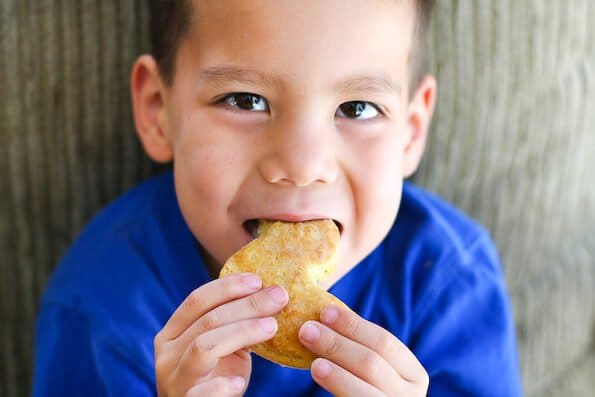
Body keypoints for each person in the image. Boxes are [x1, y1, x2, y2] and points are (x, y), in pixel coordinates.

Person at [32, 0, 523, 396]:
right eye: (246, 101)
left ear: (411, 134)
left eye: (357, 107)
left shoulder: (449, 283)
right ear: (159, 111)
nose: (303, 165)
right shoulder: (102, 305)